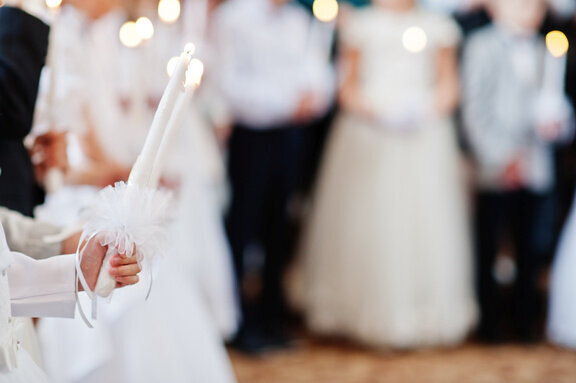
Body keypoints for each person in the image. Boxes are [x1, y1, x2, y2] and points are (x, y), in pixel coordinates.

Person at [290, 0, 477, 349]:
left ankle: (420, 313)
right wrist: (381, 112)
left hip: (423, 135)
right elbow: (346, 87)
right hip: (370, 135)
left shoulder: (438, 27)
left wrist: (423, 108)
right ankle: (359, 311)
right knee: (368, 219)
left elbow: (450, 85)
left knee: (422, 223)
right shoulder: (360, 25)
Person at [211, 0, 335, 353]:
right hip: (253, 135)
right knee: (244, 226)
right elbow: (229, 81)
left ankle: (272, 315)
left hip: (292, 135)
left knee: (281, 225)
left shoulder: (301, 18)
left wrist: (315, 95)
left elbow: (317, 66)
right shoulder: (233, 18)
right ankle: (240, 320)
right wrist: (284, 103)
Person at [462, 0, 573, 342]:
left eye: (535, 6)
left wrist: (559, 125)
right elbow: (474, 108)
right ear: (494, 7)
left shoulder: (547, 48)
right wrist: (500, 157)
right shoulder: (481, 46)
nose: (528, 12)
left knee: (530, 243)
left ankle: (525, 323)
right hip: (496, 166)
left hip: (536, 164)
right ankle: (489, 324)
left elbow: (554, 100)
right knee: (490, 243)